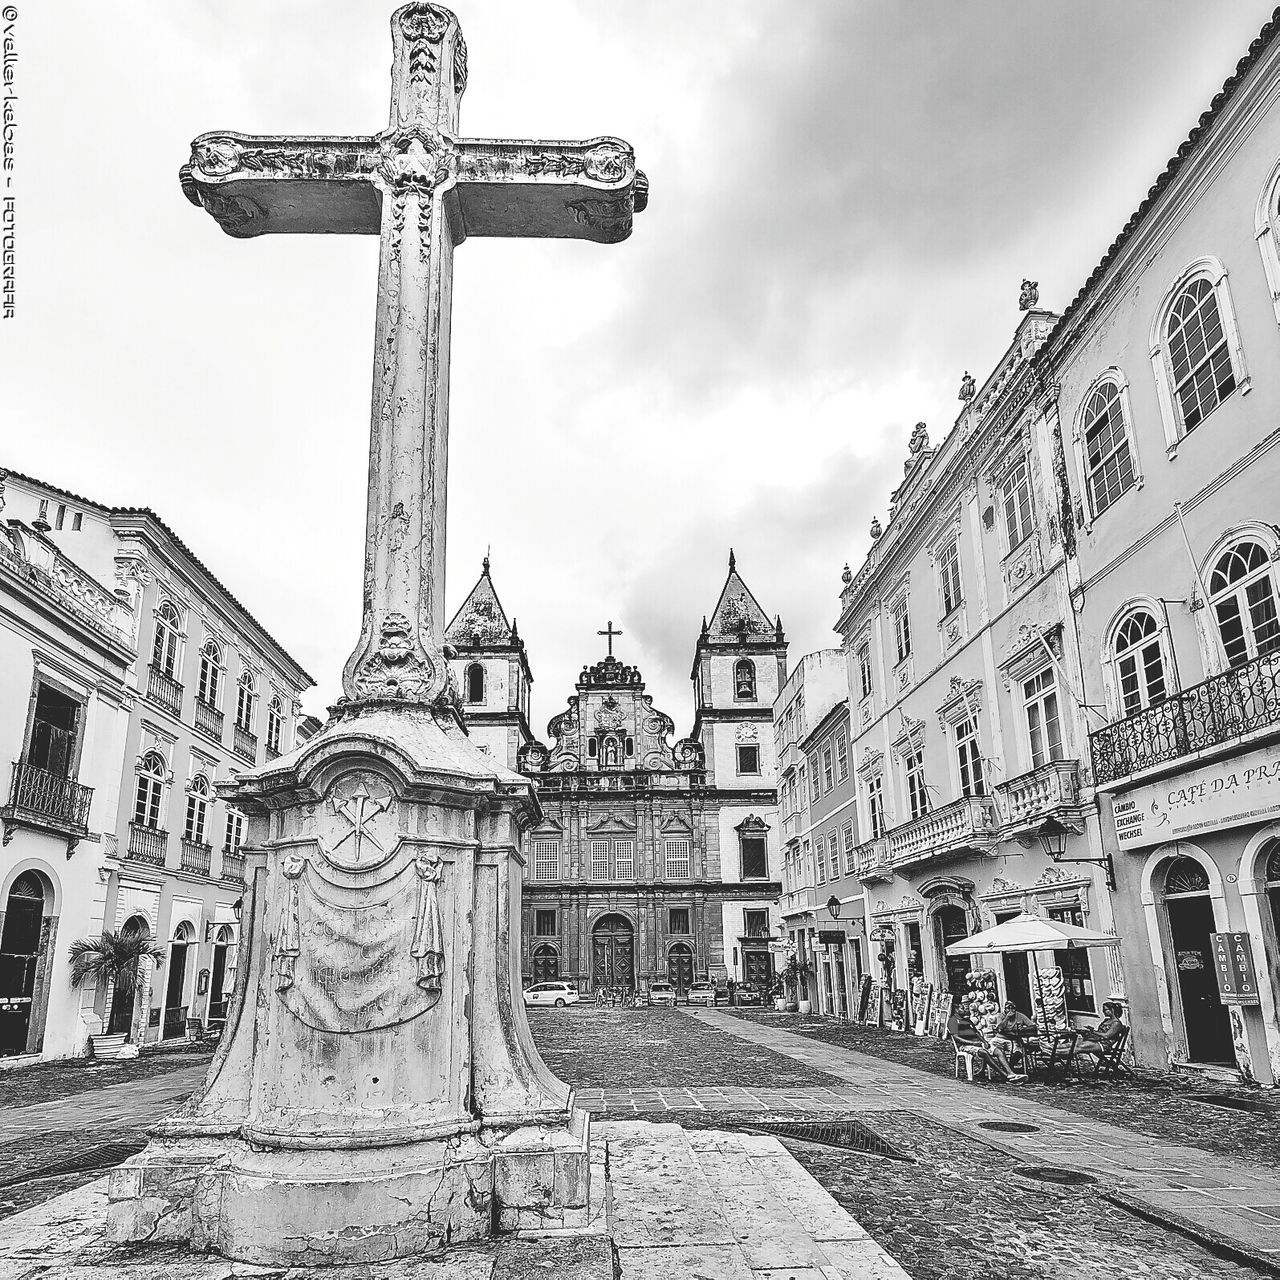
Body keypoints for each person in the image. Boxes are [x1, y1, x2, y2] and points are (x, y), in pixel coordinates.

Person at [947, 1004, 1026, 1082]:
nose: (965, 1010)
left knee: (998, 1051)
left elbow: (977, 1033)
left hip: (978, 1043)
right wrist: (973, 1043)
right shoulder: (953, 1020)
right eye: (962, 1008)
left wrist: (984, 1041)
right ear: (956, 1010)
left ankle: (1010, 1073)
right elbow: (956, 1038)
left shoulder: (968, 1020)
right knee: (984, 1052)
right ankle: (1005, 1075)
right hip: (965, 1046)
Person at [989, 1001, 1041, 1065]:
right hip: (1000, 1038)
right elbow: (1000, 1029)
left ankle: (1010, 1067)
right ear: (1005, 1009)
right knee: (988, 1048)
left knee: (1018, 1051)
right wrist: (1007, 1017)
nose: (1011, 1010)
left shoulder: (1019, 1015)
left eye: (1013, 1008)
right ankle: (983, 1070)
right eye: (1008, 1008)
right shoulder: (1001, 1016)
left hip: (1014, 1039)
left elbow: (1033, 1027)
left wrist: (1024, 1028)